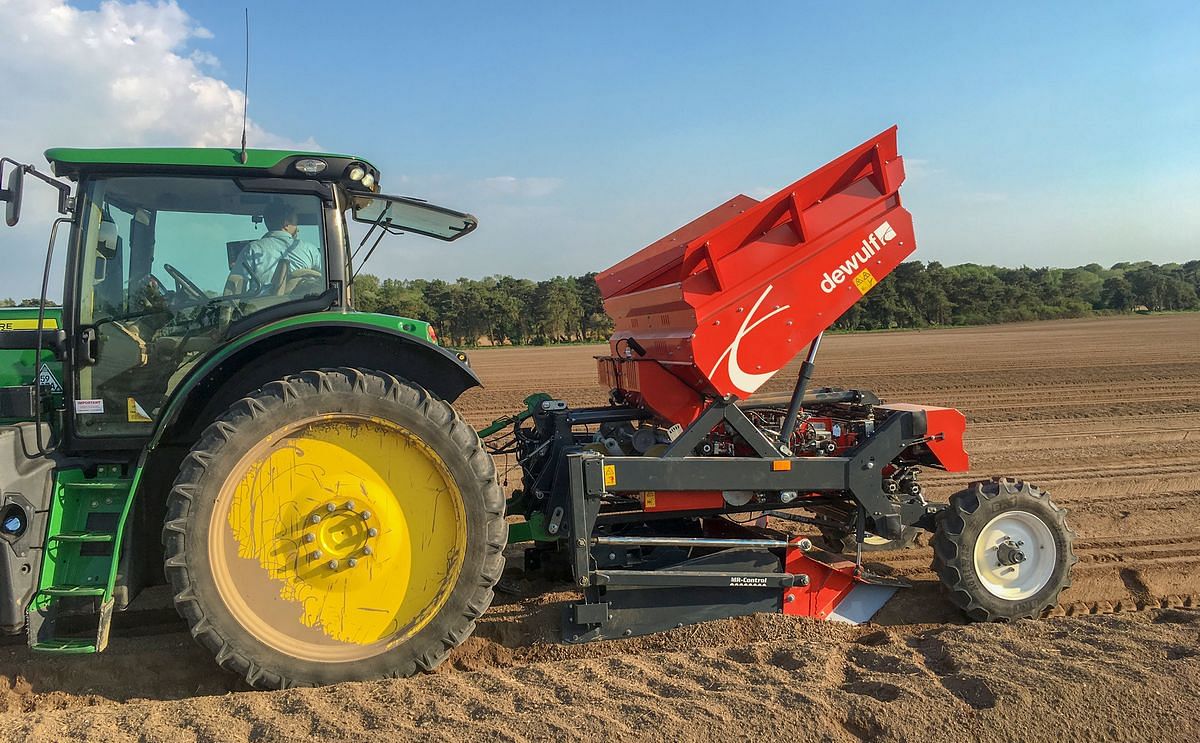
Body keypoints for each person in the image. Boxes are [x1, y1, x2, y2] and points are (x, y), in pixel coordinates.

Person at [229, 203, 323, 295]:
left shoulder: (252, 249)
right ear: (286, 224)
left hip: (263, 309)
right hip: (306, 307)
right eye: (295, 223)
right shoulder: (310, 249)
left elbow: (234, 285)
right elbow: (327, 277)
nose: (298, 229)